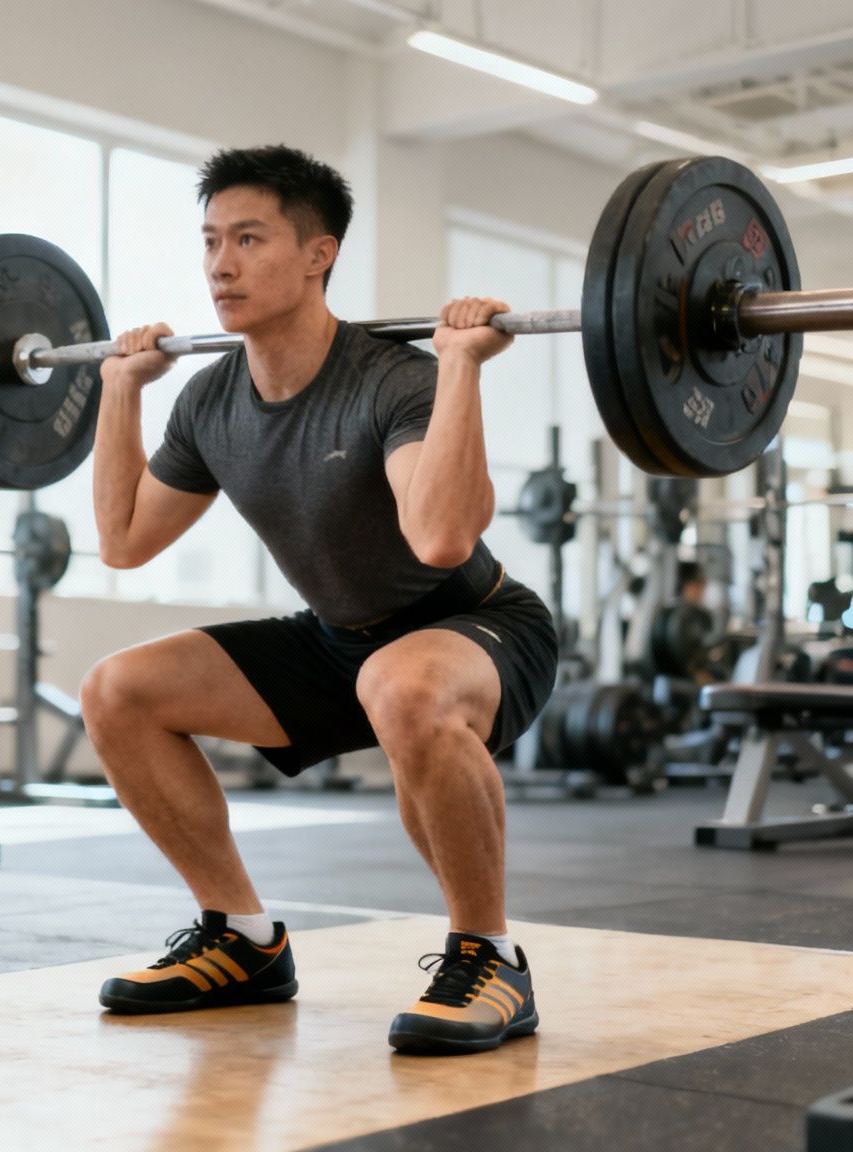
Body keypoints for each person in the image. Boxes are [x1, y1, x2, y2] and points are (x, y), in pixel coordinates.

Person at [82, 145, 557, 1055]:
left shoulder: (392, 379)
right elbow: (125, 541)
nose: (221, 264)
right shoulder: (211, 400)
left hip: (475, 627)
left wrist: (461, 366)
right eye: (212, 241)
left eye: (250, 238)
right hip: (341, 642)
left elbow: (440, 538)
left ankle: (491, 958)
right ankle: (242, 941)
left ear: (318, 254)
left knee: (402, 683)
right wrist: (119, 392)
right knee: (117, 691)